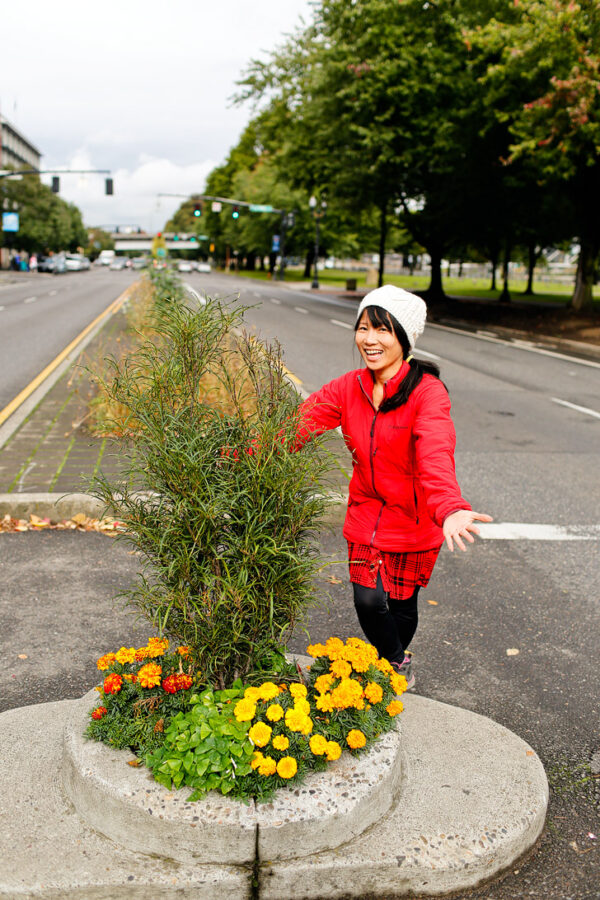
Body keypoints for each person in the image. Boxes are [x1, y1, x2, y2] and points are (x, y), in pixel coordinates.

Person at [294, 284, 492, 688]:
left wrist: (450, 507)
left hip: (413, 519)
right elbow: (293, 427)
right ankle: (397, 665)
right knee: (368, 600)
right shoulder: (348, 387)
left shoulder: (427, 393)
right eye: (363, 327)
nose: (369, 339)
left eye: (383, 330)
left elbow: (436, 453)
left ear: (404, 337)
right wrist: (231, 454)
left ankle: (387, 669)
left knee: (401, 605)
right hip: (366, 512)